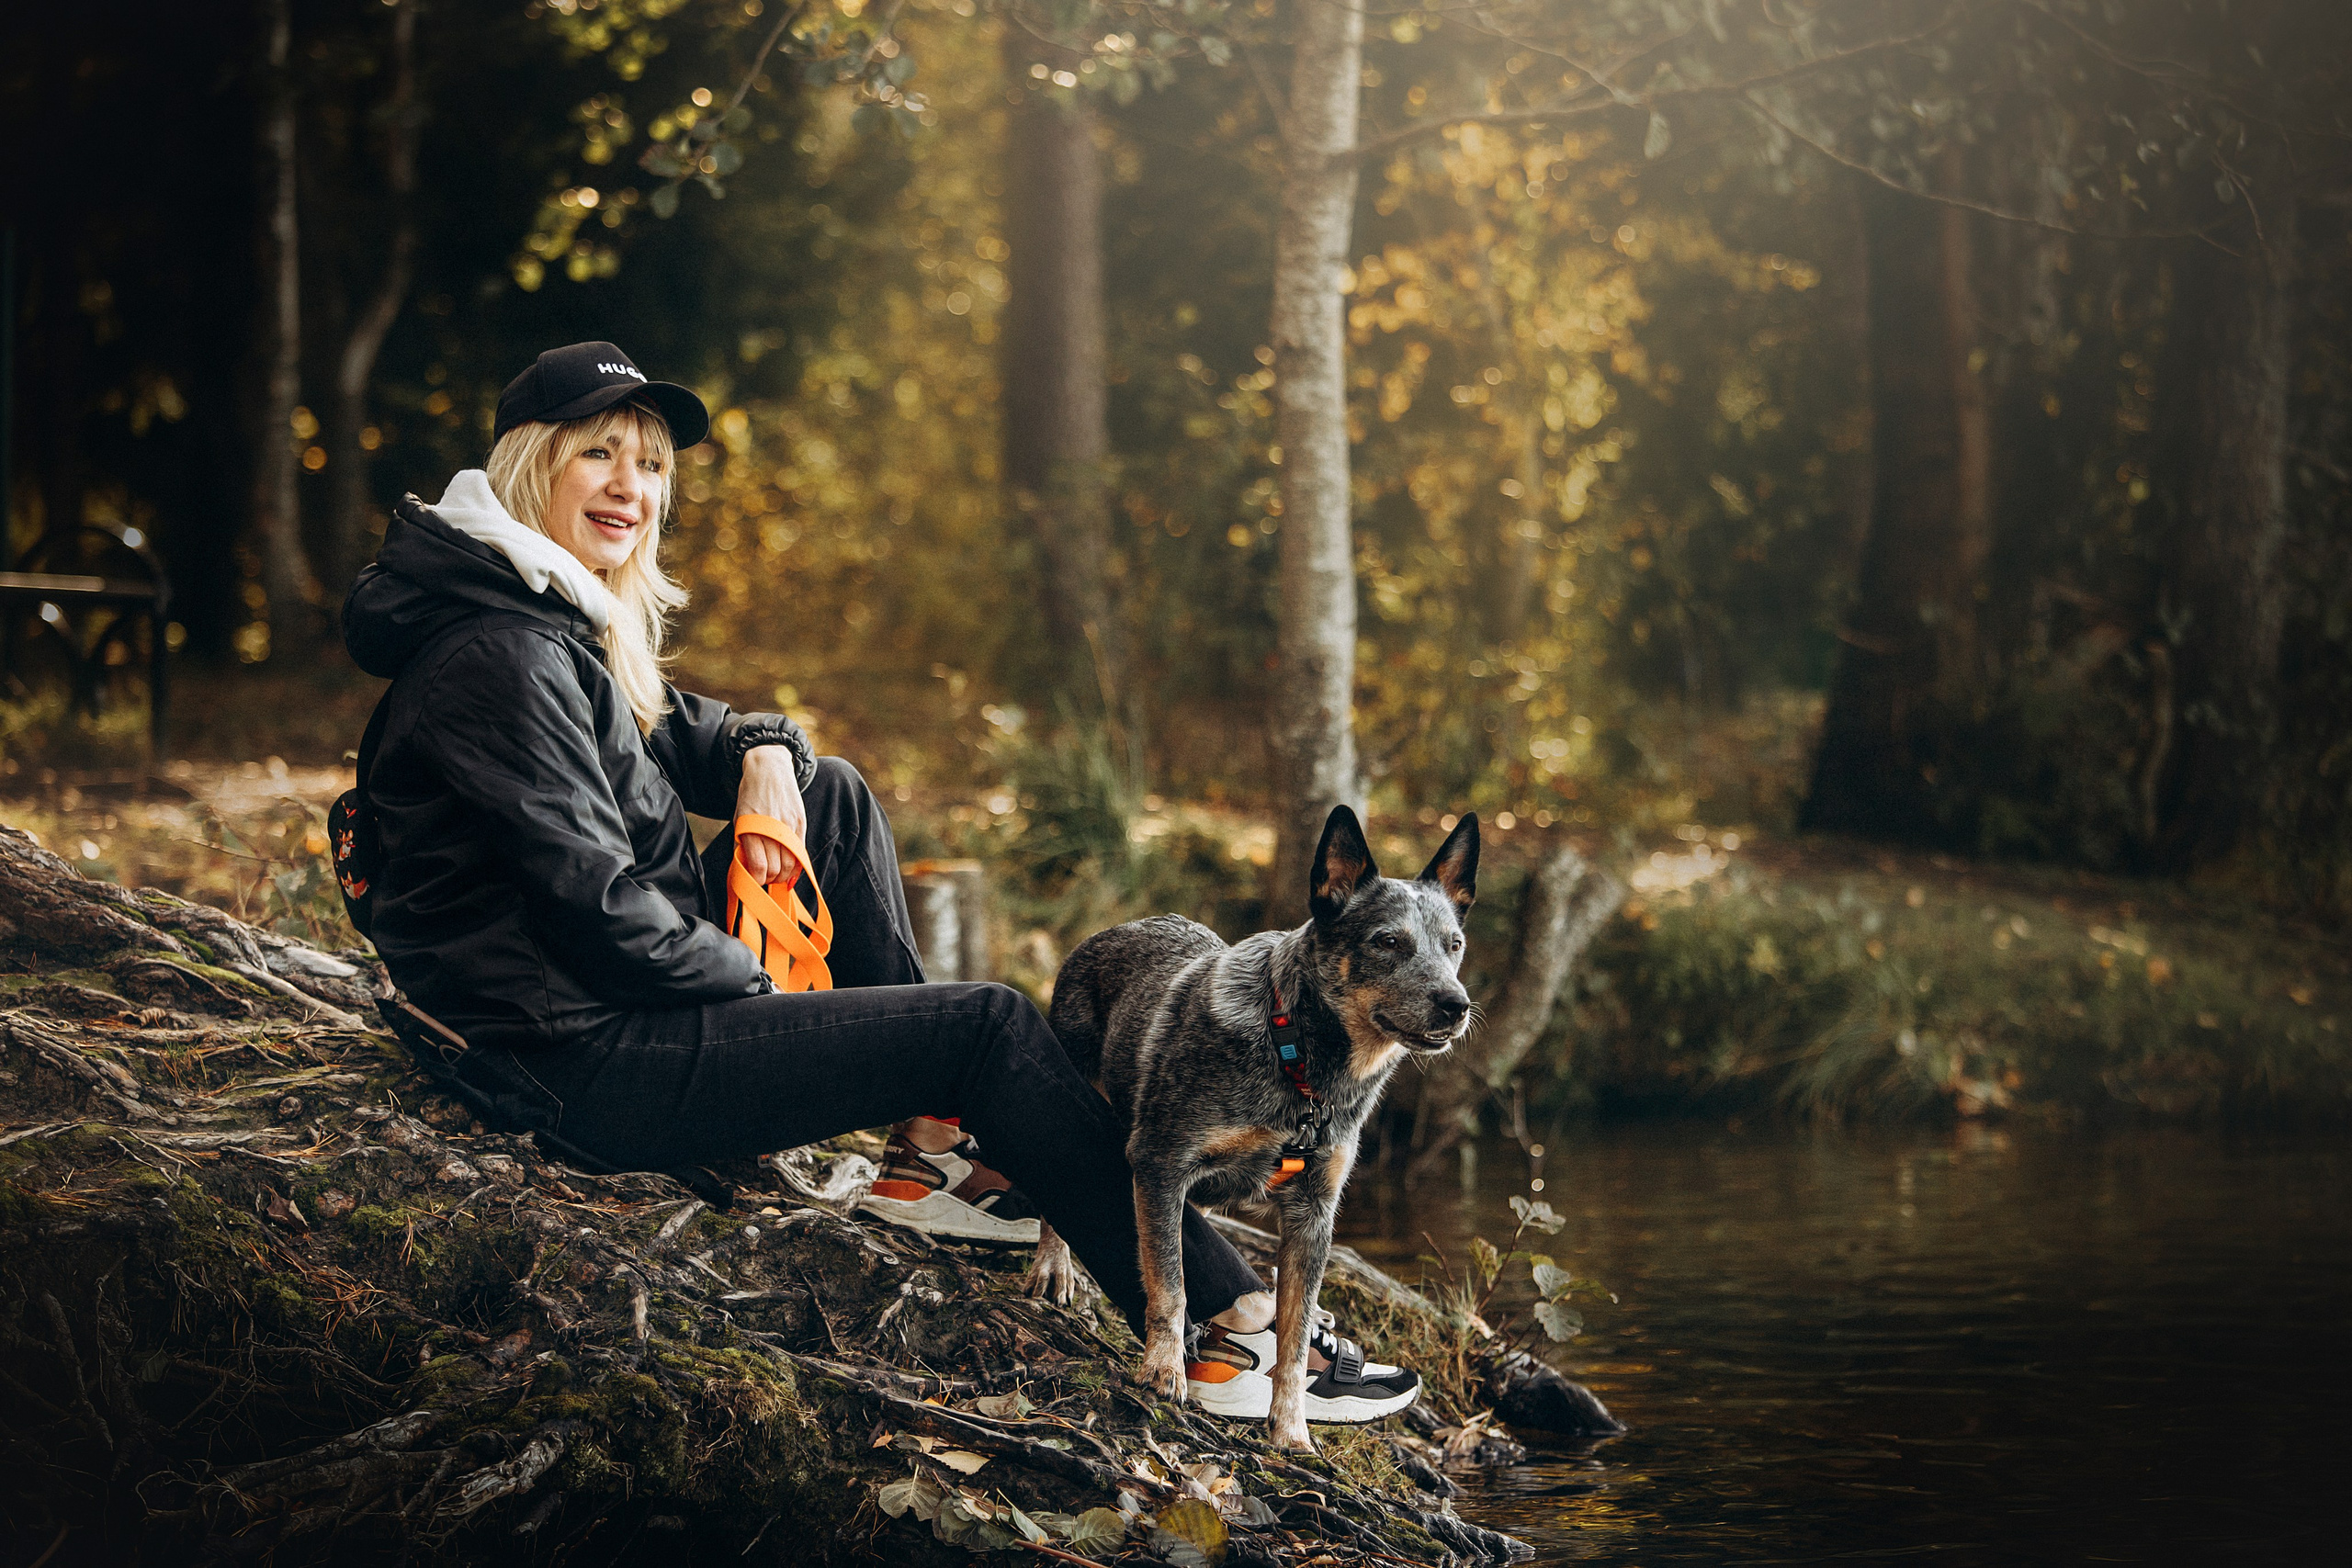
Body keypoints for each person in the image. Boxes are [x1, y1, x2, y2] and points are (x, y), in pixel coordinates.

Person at [343, 341, 1419, 1424]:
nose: (634, 487)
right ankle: (1233, 1332)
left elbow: (689, 737)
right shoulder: (503, 655)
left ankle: (926, 1161)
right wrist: (771, 1006)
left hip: (598, 1004)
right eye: (600, 455)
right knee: (983, 1024)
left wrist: (766, 751)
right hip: (573, 1063)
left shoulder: (549, 615)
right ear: (534, 465)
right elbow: (598, 910)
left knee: (837, 791)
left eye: (654, 464)